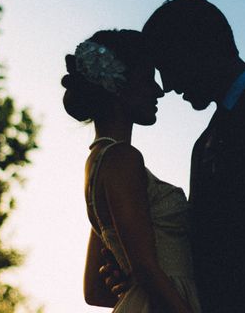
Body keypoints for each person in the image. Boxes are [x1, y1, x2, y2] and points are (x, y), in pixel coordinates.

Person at [103, 0, 245, 312]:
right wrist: (141, 269)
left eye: (166, 65)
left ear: (194, 47)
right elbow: (202, 245)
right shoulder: (202, 144)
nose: (166, 85)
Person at [62, 29, 202, 313]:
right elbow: (146, 269)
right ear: (118, 85)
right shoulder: (123, 159)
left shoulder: (99, 163)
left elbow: (95, 290)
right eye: (148, 78)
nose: (158, 90)